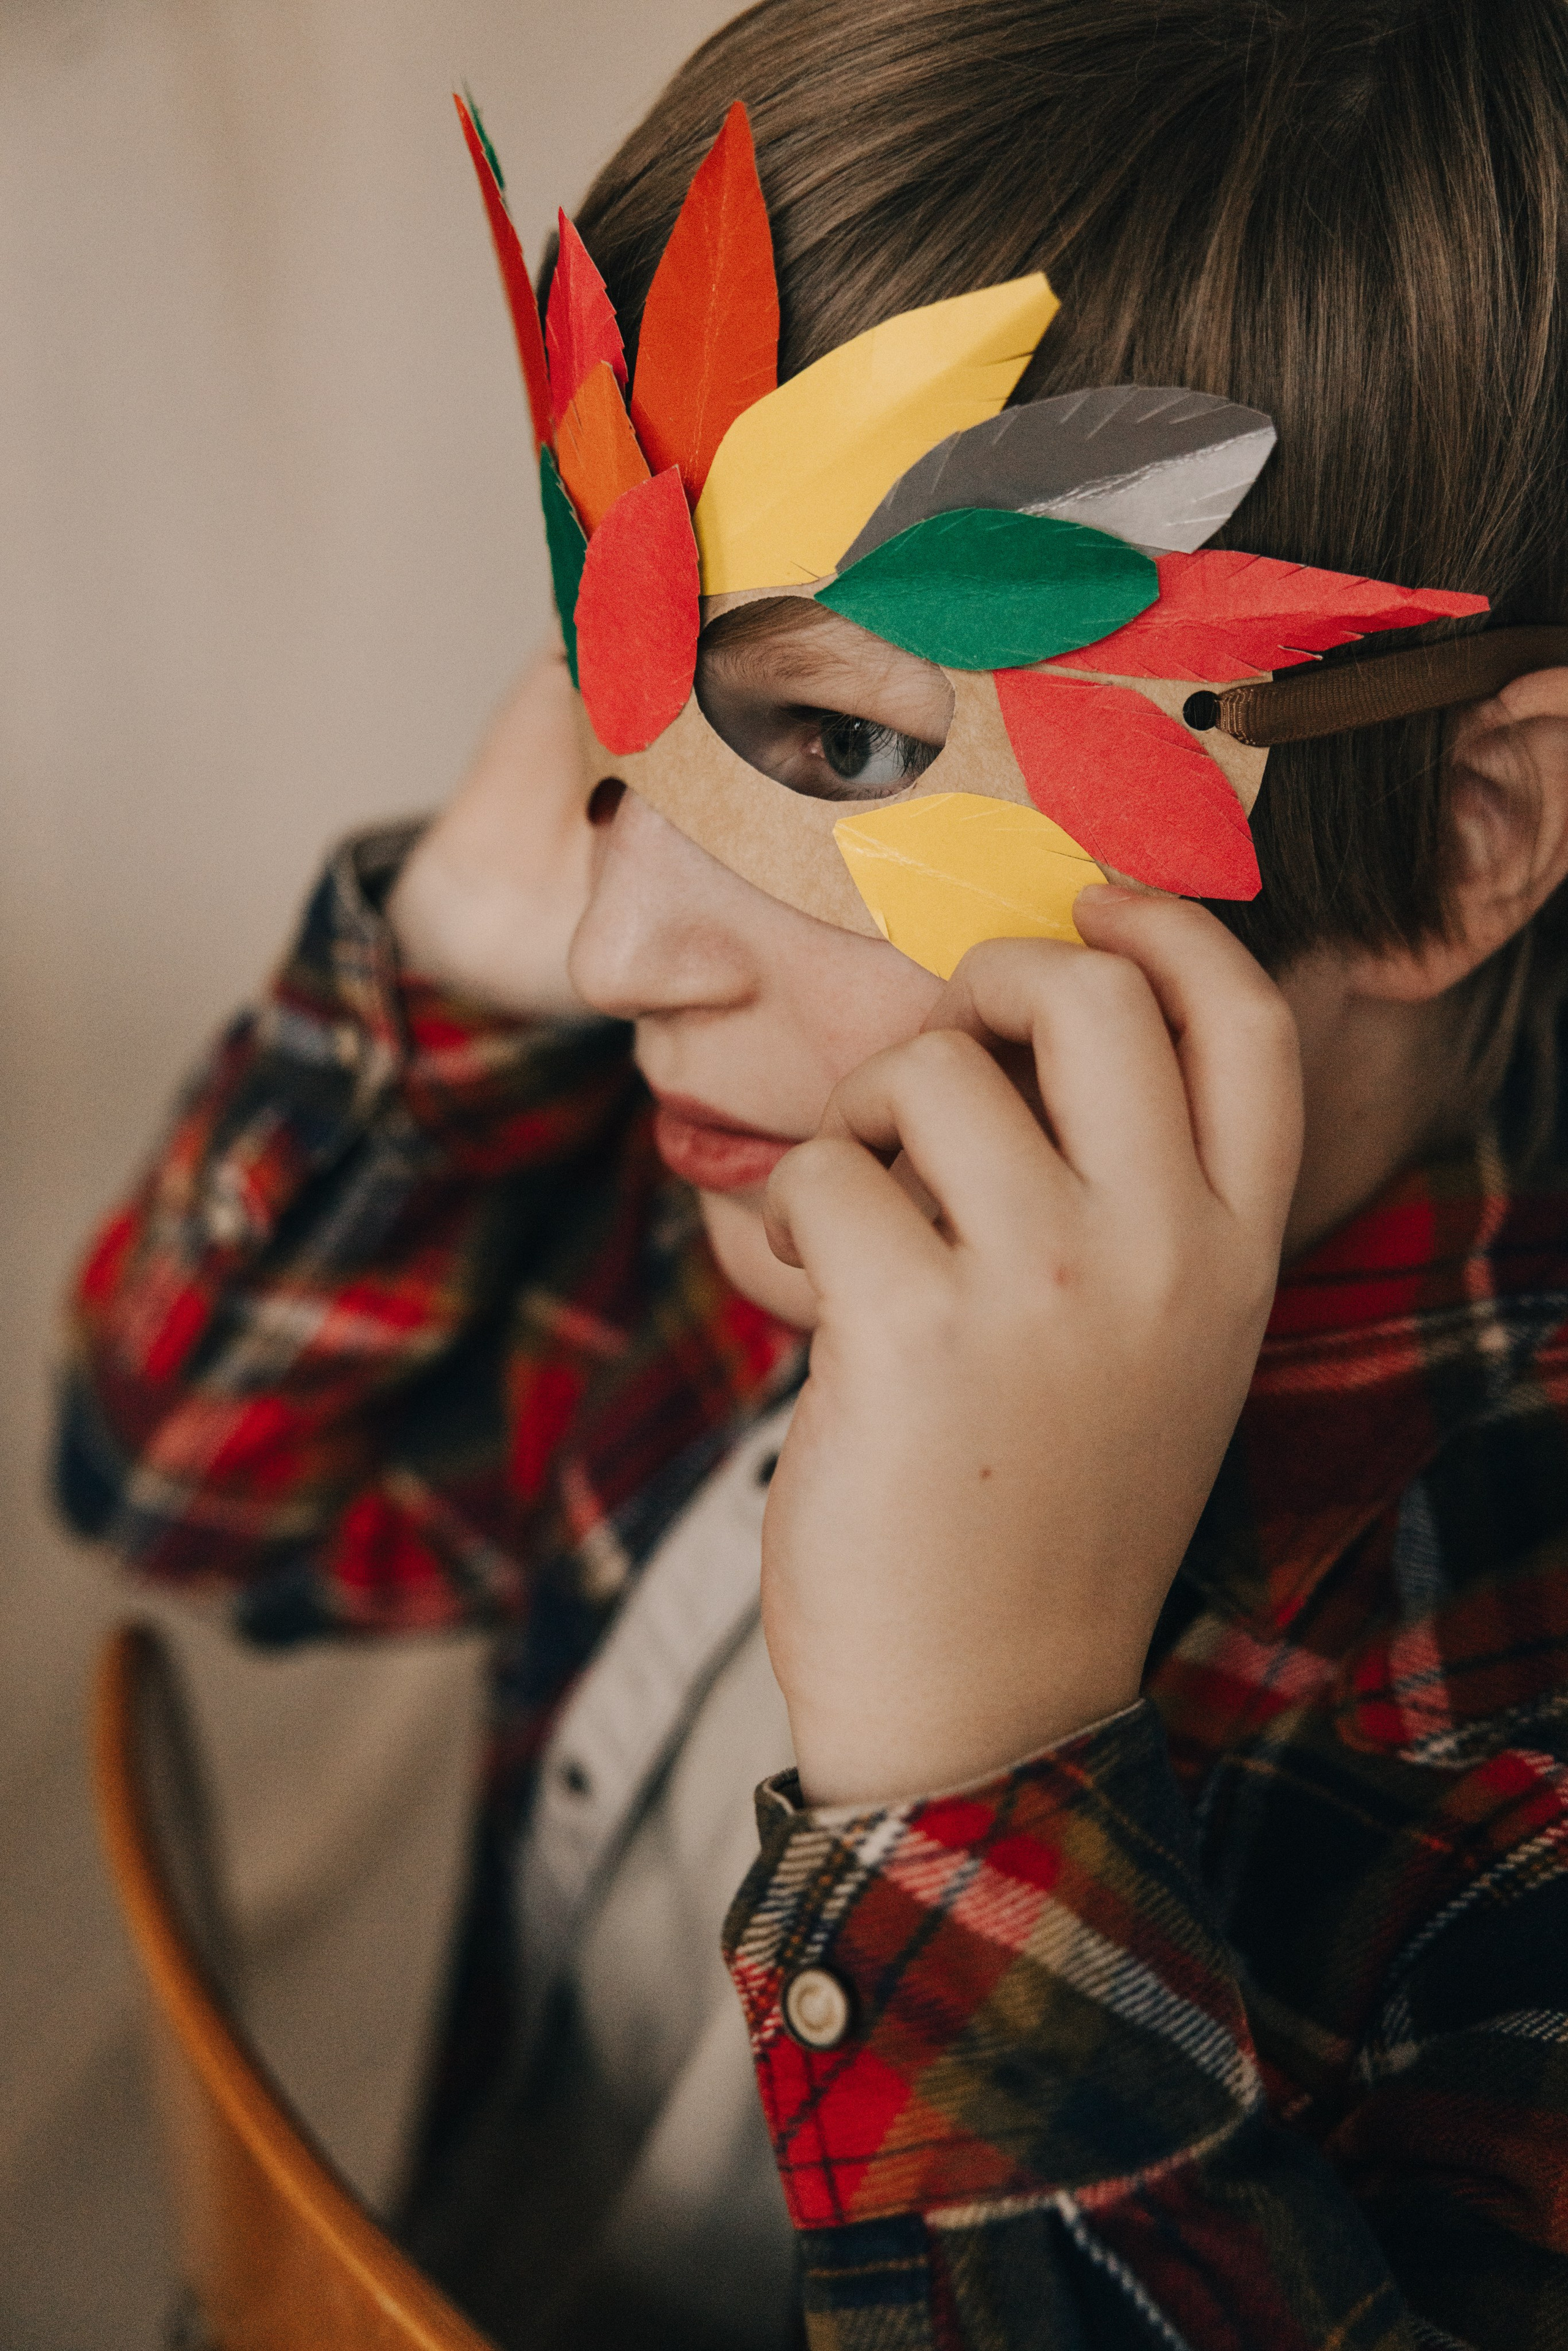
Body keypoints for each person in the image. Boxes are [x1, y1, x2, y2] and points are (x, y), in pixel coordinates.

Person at [56, 0, 1568, 2343]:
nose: (616, 931)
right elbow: (185, 1481)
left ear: (1468, 832)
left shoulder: (1499, 1732)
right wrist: (426, 992)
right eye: (619, 707)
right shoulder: (739, 1204)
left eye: (842, 748)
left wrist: (989, 1756)